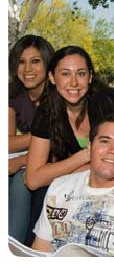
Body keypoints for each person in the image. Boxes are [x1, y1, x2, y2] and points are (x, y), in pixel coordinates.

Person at [24, 45, 114, 246]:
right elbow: (33, 179)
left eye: (80, 74)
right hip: (75, 184)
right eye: (65, 74)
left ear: (90, 77)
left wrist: (78, 169)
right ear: (52, 78)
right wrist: (82, 158)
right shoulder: (47, 112)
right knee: (45, 197)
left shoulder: (108, 102)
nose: (73, 83)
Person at [32, 112, 114, 256]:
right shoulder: (59, 187)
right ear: (90, 147)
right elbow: (40, 248)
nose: (112, 150)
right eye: (105, 141)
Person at [8, 35, 55, 243]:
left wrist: (20, 161)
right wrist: (40, 136)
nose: (27, 69)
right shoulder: (13, 96)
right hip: (32, 155)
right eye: (21, 61)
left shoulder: (59, 95)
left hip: (55, 161)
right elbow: (7, 143)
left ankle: (14, 247)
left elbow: (60, 146)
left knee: (21, 180)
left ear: (47, 63)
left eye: (35, 61)